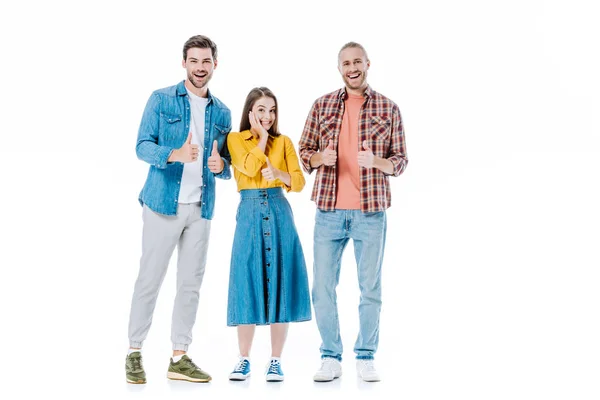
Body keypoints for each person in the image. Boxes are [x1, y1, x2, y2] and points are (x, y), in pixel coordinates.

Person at [298, 42, 408, 382]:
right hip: (329, 211)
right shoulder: (322, 105)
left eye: (357, 61)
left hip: (370, 212)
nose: (352, 67)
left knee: (370, 288)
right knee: (322, 288)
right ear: (339, 68)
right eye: (346, 63)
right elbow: (304, 152)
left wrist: (378, 162)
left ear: (367, 64)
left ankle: (366, 355)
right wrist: (320, 159)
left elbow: (401, 162)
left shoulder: (389, 108)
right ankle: (330, 356)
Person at [125, 35, 232, 384]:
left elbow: (227, 164)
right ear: (183, 62)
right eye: (194, 61)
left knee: (190, 285)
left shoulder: (223, 113)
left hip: (200, 208)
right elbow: (142, 145)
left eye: (206, 61)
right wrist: (173, 154)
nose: (200, 68)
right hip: (162, 204)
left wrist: (221, 167)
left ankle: (179, 356)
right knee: (149, 279)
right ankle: (134, 352)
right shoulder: (161, 99)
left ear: (215, 64)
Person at [225, 87, 311, 382]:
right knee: (246, 278)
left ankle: (275, 360)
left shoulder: (285, 142)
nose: (267, 116)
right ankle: (243, 359)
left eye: (272, 110)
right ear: (250, 111)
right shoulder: (235, 140)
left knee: (281, 282)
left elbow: (298, 182)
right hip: (248, 210)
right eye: (261, 109)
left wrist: (280, 174)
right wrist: (261, 139)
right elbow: (247, 167)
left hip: (278, 210)